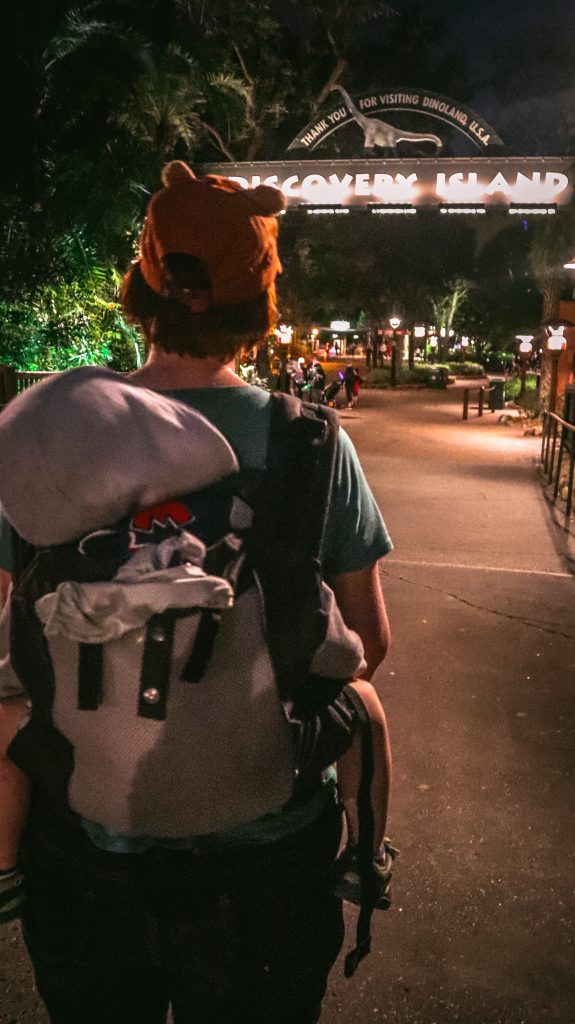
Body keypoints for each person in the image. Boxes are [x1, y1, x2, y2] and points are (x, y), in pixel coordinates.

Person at [0, 161, 394, 1024]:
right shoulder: (314, 446)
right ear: (259, 302)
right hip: (265, 849)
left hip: (85, 839)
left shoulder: (54, 430)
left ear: (143, 283)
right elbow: (368, 642)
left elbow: (9, 643)